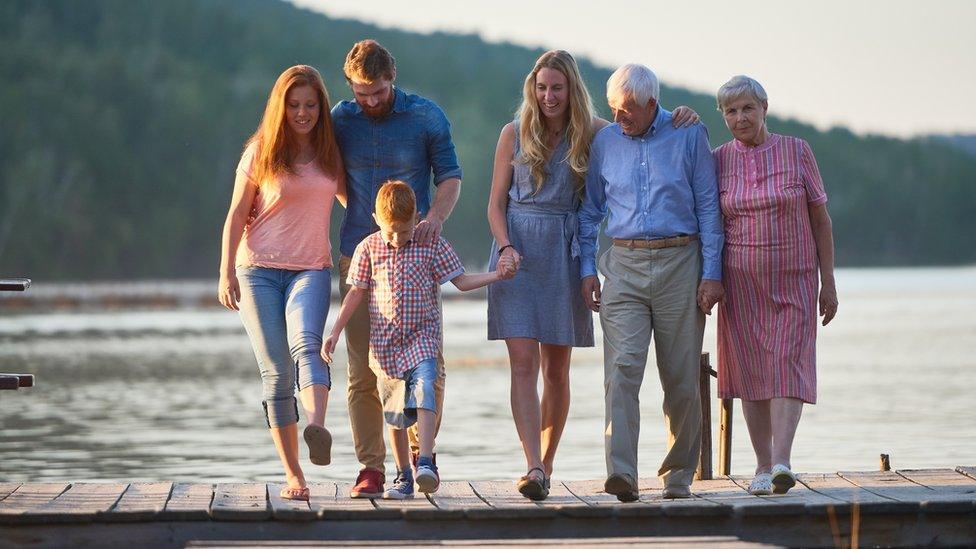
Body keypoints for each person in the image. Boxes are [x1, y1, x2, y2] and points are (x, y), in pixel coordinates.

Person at [486, 50, 700, 500]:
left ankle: (549, 459)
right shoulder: (513, 133)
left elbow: (645, 126)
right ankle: (534, 467)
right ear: (533, 88)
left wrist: (681, 113)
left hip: (563, 252)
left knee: (557, 370)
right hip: (517, 254)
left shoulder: (598, 133)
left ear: (572, 90)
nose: (548, 96)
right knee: (523, 364)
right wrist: (505, 247)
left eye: (557, 88)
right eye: (542, 87)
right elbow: (494, 204)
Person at [579, 63, 724, 502]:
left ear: (651, 104)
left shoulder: (689, 134)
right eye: (613, 110)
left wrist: (713, 274)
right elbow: (590, 212)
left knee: (680, 376)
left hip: (682, 261)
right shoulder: (604, 142)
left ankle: (678, 476)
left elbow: (709, 208)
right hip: (622, 263)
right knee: (621, 370)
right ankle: (621, 473)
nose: (619, 118)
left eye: (627, 111)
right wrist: (587, 268)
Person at [322, 181, 514, 499]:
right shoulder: (368, 248)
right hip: (384, 346)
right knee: (396, 413)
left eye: (405, 231)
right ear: (376, 220)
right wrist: (335, 331)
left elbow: (462, 281)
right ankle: (402, 477)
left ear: (418, 218)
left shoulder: (431, 245)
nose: (398, 239)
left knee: (426, 388)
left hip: (422, 337)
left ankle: (425, 461)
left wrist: (497, 275)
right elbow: (355, 292)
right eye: (391, 232)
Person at [331, 39, 463, 498]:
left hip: (418, 258)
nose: (370, 101)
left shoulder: (426, 117)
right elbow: (326, 176)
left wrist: (434, 221)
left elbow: (449, 176)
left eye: (378, 92)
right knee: (364, 373)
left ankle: (419, 456)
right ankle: (372, 468)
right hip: (361, 255)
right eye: (361, 93)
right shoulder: (339, 120)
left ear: (392, 79)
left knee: (428, 367)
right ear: (350, 85)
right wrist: (367, 221)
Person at [217, 65, 345, 502]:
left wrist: (393, 229)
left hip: (311, 267)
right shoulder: (260, 151)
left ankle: (317, 426)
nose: (303, 113)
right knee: (276, 371)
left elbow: (353, 201)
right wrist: (225, 272)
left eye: (310, 105)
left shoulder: (331, 153)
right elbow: (237, 213)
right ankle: (295, 475)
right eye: (294, 105)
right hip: (257, 269)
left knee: (307, 344)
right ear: (281, 106)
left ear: (321, 107)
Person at [712, 75, 837, 495]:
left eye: (748, 108)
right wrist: (709, 280)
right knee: (750, 374)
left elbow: (820, 219)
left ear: (765, 108)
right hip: (740, 285)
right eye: (731, 111)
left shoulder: (797, 151)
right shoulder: (718, 160)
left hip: (797, 279)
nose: (740, 117)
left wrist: (829, 283)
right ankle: (762, 467)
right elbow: (709, 227)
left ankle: (782, 460)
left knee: (787, 365)